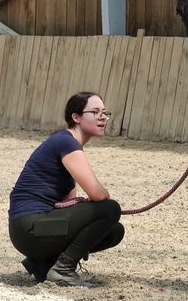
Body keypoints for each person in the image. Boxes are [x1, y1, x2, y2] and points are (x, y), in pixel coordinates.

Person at [8, 91, 125, 286]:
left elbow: (68, 202)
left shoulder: (65, 142)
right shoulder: (66, 142)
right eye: (95, 112)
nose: (103, 117)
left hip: (28, 231)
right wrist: (103, 197)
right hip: (30, 228)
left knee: (113, 231)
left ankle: (43, 263)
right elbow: (97, 194)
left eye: (104, 112)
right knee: (110, 209)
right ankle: (62, 269)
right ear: (76, 117)